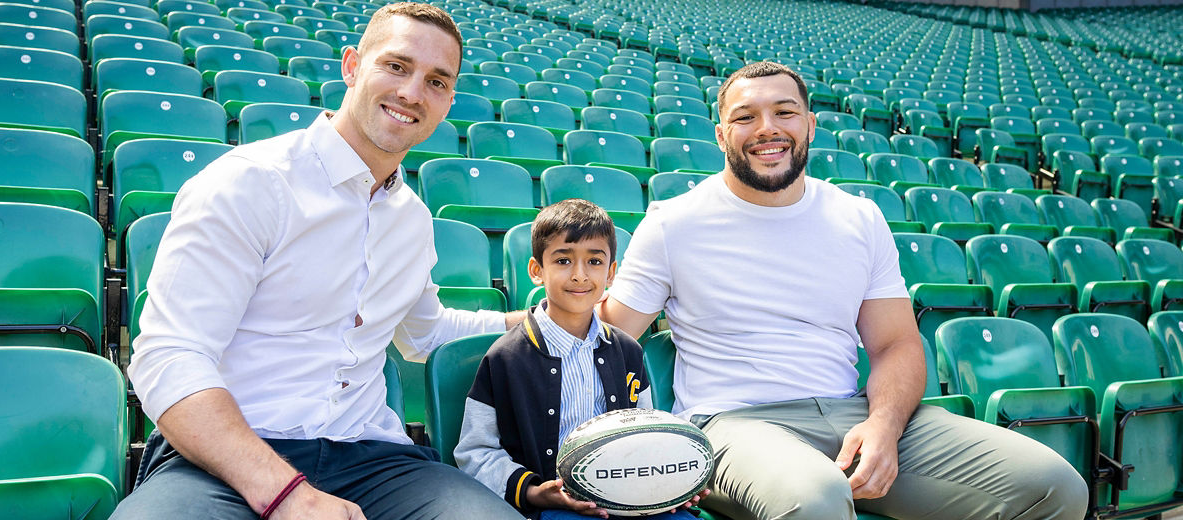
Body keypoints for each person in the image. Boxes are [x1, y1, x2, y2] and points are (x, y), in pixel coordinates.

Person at [597, 61, 1089, 520]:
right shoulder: (674, 224)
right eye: (746, 117)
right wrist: (526, 320)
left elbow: (895, 344)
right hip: (732, 424)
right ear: (722, 135)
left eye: (784, 112)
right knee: (815, 499)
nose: (767, 127)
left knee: (1055, 486)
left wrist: (884, 426)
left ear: (809, 125)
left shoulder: (858, 217)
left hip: (852, 410)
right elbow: (609, 333)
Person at [113, 4, 528, 519]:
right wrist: (285, 493)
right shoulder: (252, 181)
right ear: (352, 66)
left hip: (374, 460)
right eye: (396, 66)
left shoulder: (413, 220)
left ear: (448, 102)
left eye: (437, 81)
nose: (412, 93)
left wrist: (528, 320)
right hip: (223, 459)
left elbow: (425, 333)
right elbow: (168, 354)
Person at [454, 199, 703, 520]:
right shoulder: (505, 358)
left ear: (612, 273)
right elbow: (475, 452)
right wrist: (532, 492)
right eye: (563, 260)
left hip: (627, 500)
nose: (580, 275)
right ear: (536, 271)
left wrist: (670, 485)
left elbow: (645, 433)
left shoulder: (628, 351)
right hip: (555, 508)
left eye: (595, 261)